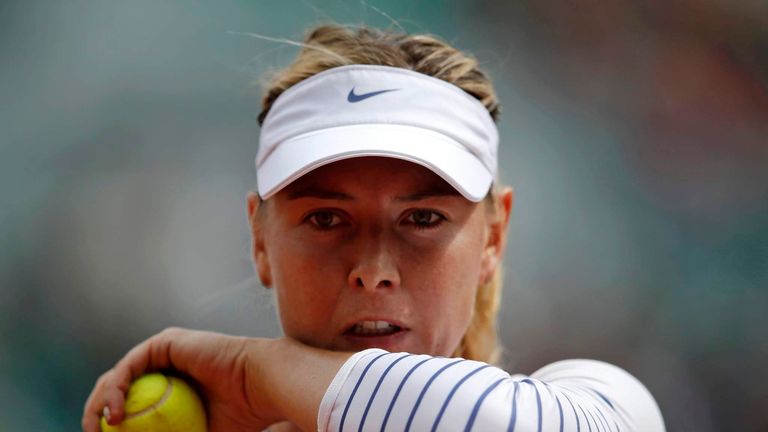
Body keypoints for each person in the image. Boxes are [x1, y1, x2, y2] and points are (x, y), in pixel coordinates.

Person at [82, 25, 665, 432]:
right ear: (260, 240)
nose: (373, 272)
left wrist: (253, 373)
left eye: (423, 219)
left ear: (493, 236)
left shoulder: (604, 403)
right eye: (326, 219)